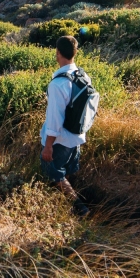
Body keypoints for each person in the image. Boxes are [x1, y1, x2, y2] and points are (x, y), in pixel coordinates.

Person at [40, 35, 91, 216]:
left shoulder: (58, 83)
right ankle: (65, 207)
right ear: (74, 53)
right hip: (76, 136)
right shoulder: (83, 76)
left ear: (58, 53)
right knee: (65, 173)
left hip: (60, 139)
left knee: (54, 174)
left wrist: (48, 146)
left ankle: (80, 208)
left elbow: (55, 119)